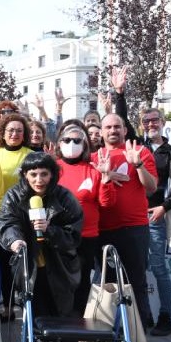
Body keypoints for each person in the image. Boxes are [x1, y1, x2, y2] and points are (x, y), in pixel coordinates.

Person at [0, 152, 84, 319]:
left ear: (52, 174)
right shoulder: (14, 196)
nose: (39, 180)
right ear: (25, 175)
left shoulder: (65, 197)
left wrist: (49, 231)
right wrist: (15, 240)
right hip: (29, 269)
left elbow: (73, 235)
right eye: (33, 174)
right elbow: (7, 223)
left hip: (60, 269)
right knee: (35, 322)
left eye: (44, 174)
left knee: (61, 321)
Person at [94, 113, 157, 334]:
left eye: (117, 126)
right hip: (103, 229)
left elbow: (151, 187)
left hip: (134, 228)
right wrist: (107, 174)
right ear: (101, 132)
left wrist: (137, 164)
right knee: (108, 284)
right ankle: (111, 331)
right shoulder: (94, 157)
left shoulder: (141, 152)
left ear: (125, 130)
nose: (113, 131)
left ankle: (138, 333)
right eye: (108, 127)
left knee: (135, 281)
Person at [53, 121, 116, 314]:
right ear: (59, 143)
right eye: (67, 140)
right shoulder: (53, 168)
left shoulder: (93, 169)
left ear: (84, 144)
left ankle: (80, 325)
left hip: (86, 236)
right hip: (58, 236)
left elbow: (107, 203)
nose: (71, 143)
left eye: (77, 140)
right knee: (58, 281)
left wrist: (106, 179)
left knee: (82, 281)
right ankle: (57, 324)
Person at [140, 108, 171, 336]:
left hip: (154, 215)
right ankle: (144, 314)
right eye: (146, 121)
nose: (150, 124)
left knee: (158, 268)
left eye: (154, 120)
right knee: (137, 269)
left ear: (163, 122)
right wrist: (119, 95)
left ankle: (166, 317)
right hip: (132, 216)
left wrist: (163, 208)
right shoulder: (138, 147)